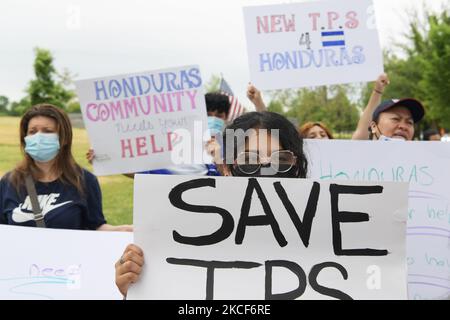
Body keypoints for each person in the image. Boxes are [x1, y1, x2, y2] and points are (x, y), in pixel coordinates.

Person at [115, 111, 308, 297]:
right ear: (226, 168)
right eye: (249, 159)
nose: (266, 169)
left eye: (281, 159)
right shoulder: (185, 232)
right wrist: (136, 292)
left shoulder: (324, 232)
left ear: (297, 165)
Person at [0, 104, 132, 231]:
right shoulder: (8, 182)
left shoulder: (84, 180)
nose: (38, 137)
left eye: (47, 131)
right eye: (32, 131)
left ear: (64, 138)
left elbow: (95, 226)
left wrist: (122, 229)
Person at [352, 73, 391, 140]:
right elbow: (361, 138)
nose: (403, 126)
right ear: (374, 126)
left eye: (409, 122)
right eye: (396, 119)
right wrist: (378, 91)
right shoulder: (366, 149)